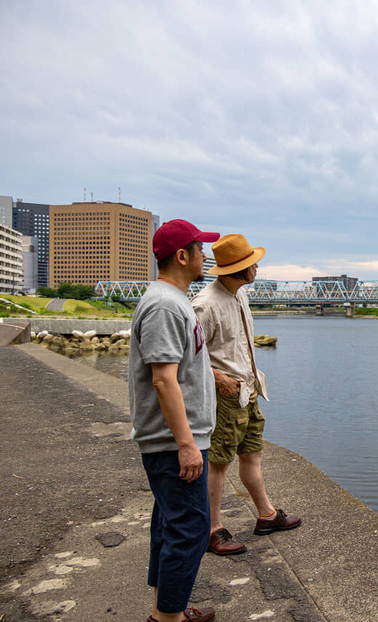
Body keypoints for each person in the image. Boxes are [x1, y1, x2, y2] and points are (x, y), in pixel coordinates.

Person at [129, 219, 220, 622]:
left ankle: (166, 610)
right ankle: (169, 620)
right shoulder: (165, 304)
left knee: (169, 525)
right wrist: (186, 444)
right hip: (172, 442)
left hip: (175, 439)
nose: (206, 254)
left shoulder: (174, 299)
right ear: (182, 256)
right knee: (191, 529)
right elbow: (164, 379)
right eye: (201, 248)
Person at [192, 233, 301, 556]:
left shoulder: (239, 295)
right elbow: (187, 357)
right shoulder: (205, 305)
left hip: (248, 390)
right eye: (252, 264)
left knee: (251, 454)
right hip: (225, 396)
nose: (257, 268)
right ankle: (212, 529)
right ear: (240, 269)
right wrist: (218, 378)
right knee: (218, 464)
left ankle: (266, 515)